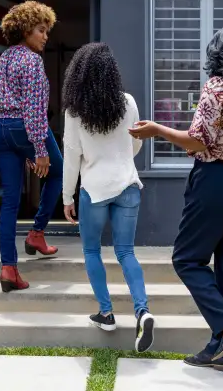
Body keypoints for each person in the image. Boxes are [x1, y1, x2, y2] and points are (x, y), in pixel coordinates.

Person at [129, 25, 223, 370]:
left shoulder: (217, 87)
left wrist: (156, 130)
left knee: (187, 259)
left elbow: (199, 141)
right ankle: (222, 352)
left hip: (216, 179)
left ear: (219, 55)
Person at [61, 42, 155, 353]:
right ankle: (143, 311)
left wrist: (66, 197)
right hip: (127, 185)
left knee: (91, 251)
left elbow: (72, 157)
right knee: (126, 252)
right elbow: (136, 145)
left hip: (94, 190)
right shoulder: (127, 103)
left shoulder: (74, 112)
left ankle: (107, 313)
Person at [0, 1, 63, 292]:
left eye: (47, 31)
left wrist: (27, 150)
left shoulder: (5, 57)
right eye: (40, 30)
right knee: (57, 172)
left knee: (9, 201)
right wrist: (39, 150)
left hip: (0, 129)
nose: (45, 36)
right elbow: (33, 110)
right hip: (24, 127)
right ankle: (36, 233)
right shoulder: (32, 61)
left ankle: (9, 268)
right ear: (25, 30)